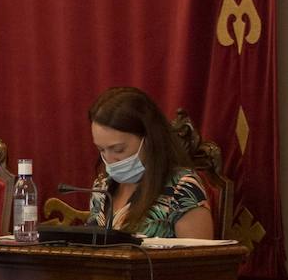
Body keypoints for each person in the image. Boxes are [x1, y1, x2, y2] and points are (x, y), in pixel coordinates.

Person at [87, 86, 214, 239]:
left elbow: (200, 260)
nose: (110, 160)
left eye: (119, 150)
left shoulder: (182, 189)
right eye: (101, 150)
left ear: (148, 140)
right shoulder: (101, 188)